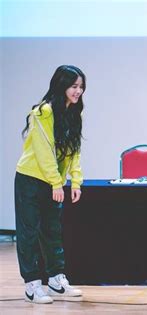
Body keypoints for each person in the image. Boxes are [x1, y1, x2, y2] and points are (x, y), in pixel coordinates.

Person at [15, 65, 86, 304]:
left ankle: (56, 280)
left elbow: (74, 151)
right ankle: (32, 284)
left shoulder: (75, 113)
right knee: (29, 233)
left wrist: (75, 180)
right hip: (31, 179)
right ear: (61, 85)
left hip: (53, 180)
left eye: (81, 86)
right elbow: (44, 152)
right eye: (74, 86)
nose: (78, 91)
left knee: (52, 231)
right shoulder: (42, 112)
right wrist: (57, 183)